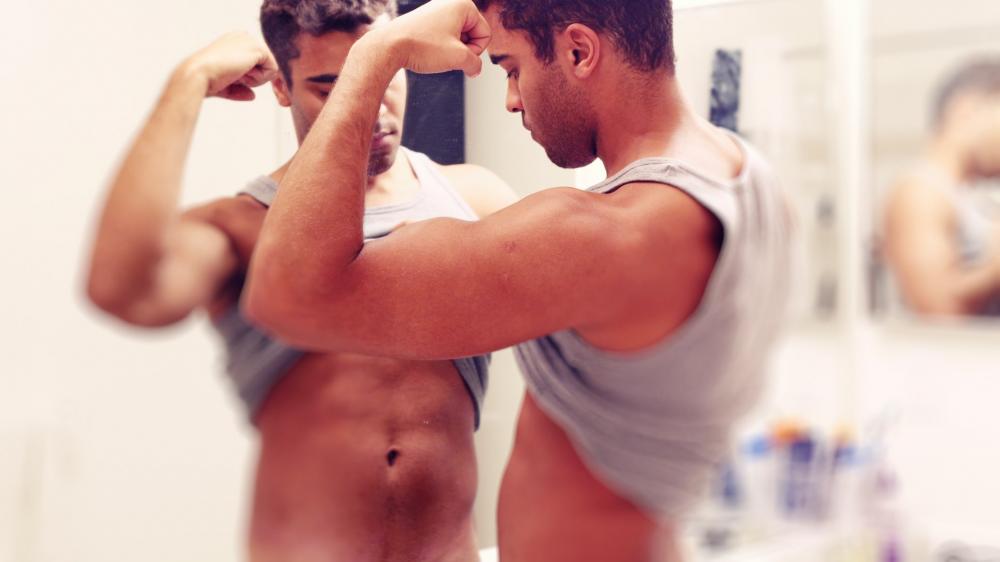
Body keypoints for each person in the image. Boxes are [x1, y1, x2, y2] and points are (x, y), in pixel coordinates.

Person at [244, 0, 794, 560]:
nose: (510, 99)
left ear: (578, 51)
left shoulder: (603, 236)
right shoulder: (748, 176)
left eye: (511, 68)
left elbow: (292, 293)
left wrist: (376, 54)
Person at [85, 1, 517, 560]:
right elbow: (124, 291)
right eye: (328, 85)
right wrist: (187, 82)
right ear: (281, 89)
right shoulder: (244, 227)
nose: (368, 104)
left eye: (385, 71)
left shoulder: (475, 199)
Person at [884, 58, 1000, 317]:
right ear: (966, 110)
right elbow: (937, 309)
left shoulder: (966, 194)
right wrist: (993, 271)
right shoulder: (920, 194)